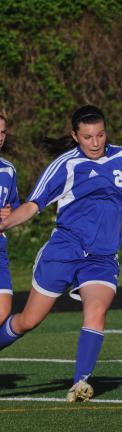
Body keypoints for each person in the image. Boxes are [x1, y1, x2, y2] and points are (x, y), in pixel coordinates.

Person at [0, 105, 122, 402]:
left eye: (100, 134)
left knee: (96, 312)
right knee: (28, 320)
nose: (95, 142)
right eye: (88, 136)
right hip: (64, 251)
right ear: (75, 135)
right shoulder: (65, 165)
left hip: (102, 257)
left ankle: (80, 383)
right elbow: (32, 205)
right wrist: (7, 222)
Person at [0, 113, 20, 325]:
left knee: (3, 311)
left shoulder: (8, 170)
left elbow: (13, 208)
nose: (0, 137)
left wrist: (10, 214)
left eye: (3, 132)